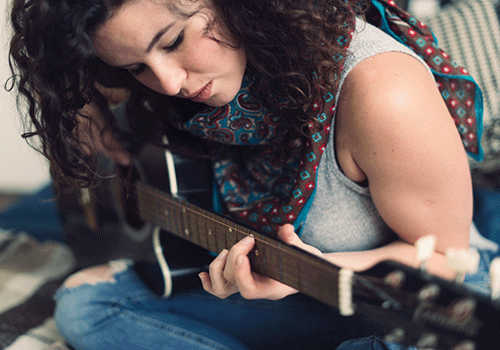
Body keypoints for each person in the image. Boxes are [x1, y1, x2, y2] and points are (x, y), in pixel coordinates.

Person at [7, 0, 497, 349]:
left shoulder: (380, 91)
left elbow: (451, 262)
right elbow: (88, 84)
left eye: (175, 41)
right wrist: (81, 105)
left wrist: (316, 274)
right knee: (84, 305)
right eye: (135, 67)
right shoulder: (166, 90)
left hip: (399, 303)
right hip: (293, 294)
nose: (170, 82)